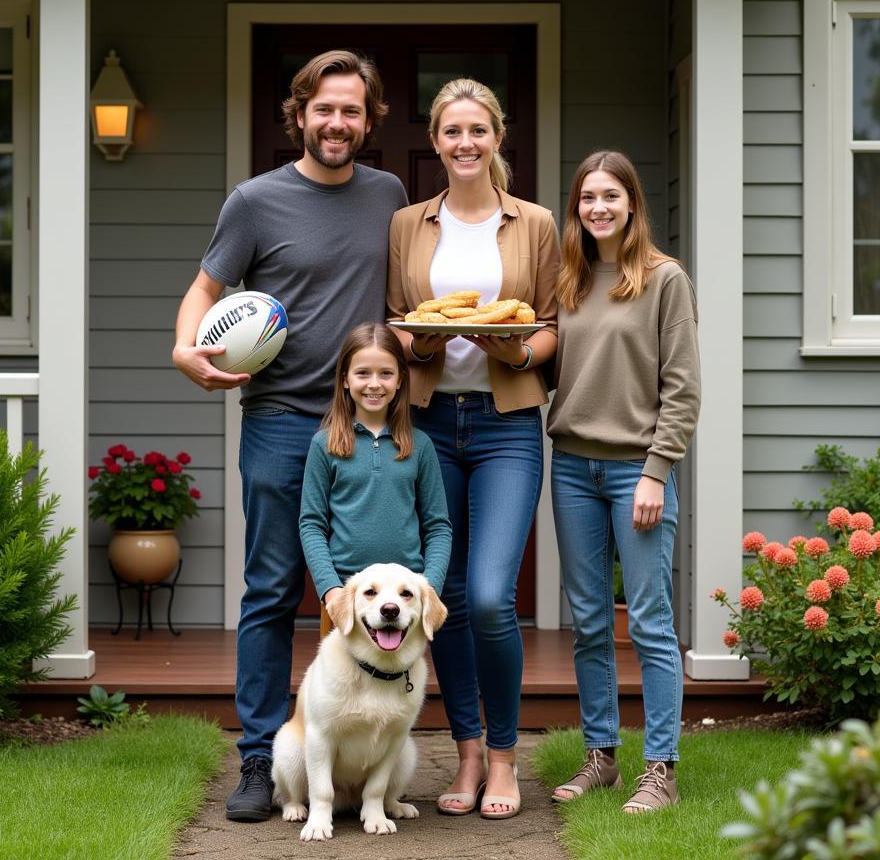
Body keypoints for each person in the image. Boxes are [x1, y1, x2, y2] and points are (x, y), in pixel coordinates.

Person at [172, 50, 408, 822]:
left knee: (371, 591)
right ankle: (258, 760)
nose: (336, 123)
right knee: (273, 591)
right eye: (323, 109)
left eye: (351, 111)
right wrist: (185, 351)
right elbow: (205, 291)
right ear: (299, 113)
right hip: (278, 421)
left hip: (365, 427)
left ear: (369, 121)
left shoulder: (390, 196)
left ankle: (369, 753)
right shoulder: (254, 202)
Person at [386, 78, 560, 820]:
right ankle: (462, 754)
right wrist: (418, 338)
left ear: (497, 137)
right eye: (452, 131)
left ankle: (504, 756)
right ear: (436, 140)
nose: (465, 143)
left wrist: (515, 353)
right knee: (443, 599)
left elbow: (551, 322)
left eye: (478, 131)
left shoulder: (537, 224)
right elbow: (396, 320)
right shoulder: (406, 225)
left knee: (490, 596)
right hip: (427, 423)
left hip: (505, 423)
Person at [548, 149, 700, 814]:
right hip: (571, 469)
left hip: (637, 470)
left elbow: (684, 387)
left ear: (632, 203)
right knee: (586, 622)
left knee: (650, 622)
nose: (599, 208)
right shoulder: (569, 280)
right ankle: (601, 758)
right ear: (576, 208)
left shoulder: (665, 280)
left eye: (611, 196)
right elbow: (557, 371)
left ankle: (660, 769)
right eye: (588, 198)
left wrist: (656, 472)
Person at [299, 322, 451, 619]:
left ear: (400, 381)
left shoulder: (420, 446)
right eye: (363, 373)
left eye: (386, 373)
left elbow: (438, 527)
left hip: (404, 597)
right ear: (345, 379)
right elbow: (311, 524)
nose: (374, 383)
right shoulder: (324, 445)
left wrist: (427, 588)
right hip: (349, 593)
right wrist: (331, 589)